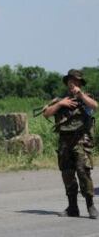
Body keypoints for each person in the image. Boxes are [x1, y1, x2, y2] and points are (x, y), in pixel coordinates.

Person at [43, 69, 98, 219]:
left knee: (83, 172)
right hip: (65, 143)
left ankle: (90, 205)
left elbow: (95, 106)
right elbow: (47, 113)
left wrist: (80, 95)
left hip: (81, 140)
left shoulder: (85, 99)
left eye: (75, 81)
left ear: (80, 83)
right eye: (70, 81)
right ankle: (72, 207)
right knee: (67, 174)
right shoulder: (61, 100)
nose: (72, 84)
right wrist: (61, 103)